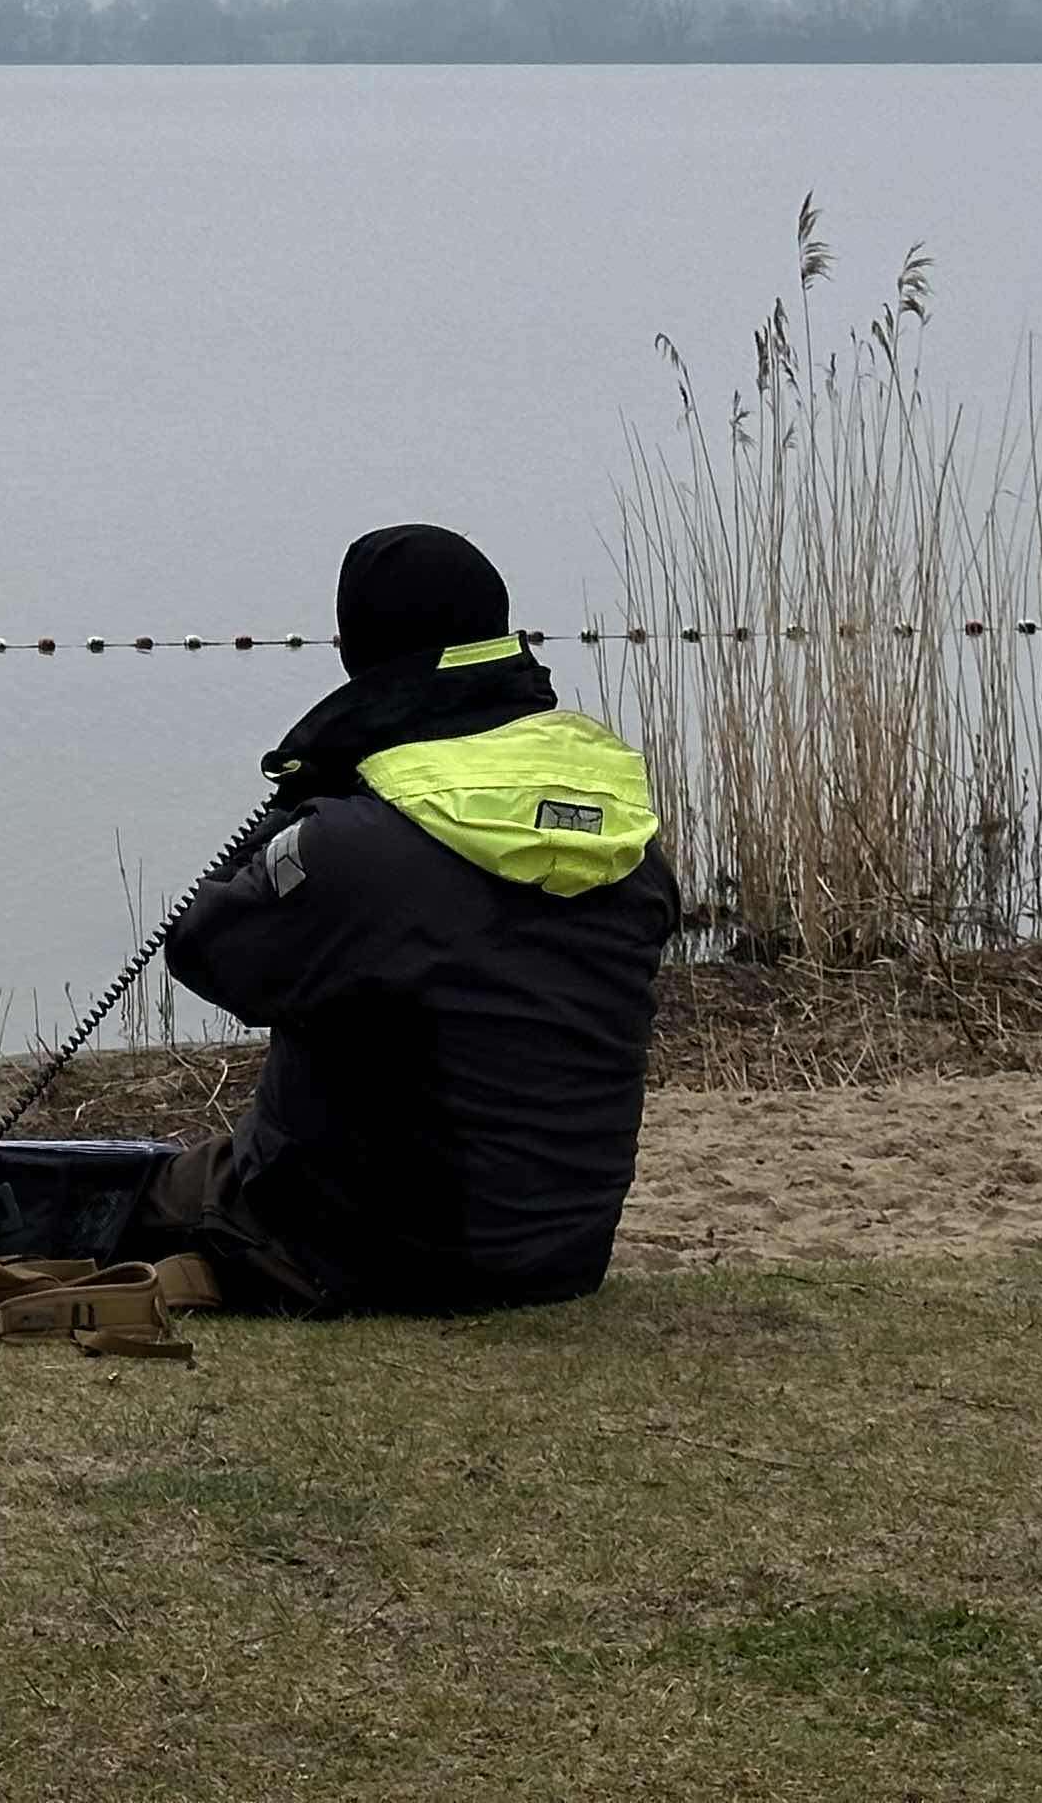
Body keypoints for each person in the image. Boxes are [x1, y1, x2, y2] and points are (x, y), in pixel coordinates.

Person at [134, 524, 678, 1315]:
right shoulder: (628, 844)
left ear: (359, 654)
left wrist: (312, 777)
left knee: (126, 1195)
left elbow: (202, 947)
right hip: (561, 1254)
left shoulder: (357, 844)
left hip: (357, 1253)